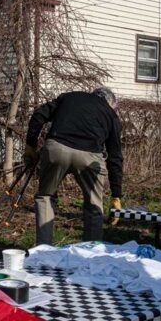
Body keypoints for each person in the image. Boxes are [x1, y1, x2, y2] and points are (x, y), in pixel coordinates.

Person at [24, 88, 123, 245]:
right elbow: (115, 157)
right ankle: (92, 253)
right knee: (94, 205)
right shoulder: (110, 114)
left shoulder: (70, 97)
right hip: (90, 156)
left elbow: (38, 115)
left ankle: (43, 252)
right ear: (110, 103)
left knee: (45, 197)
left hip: (57, 148)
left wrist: (30, 145)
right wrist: (116, 194)